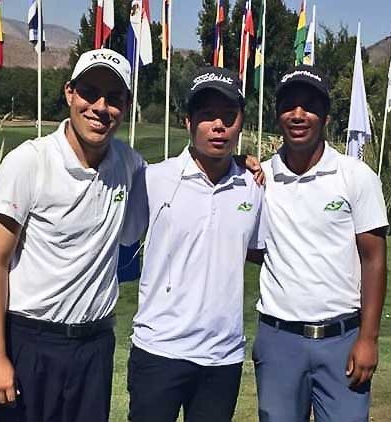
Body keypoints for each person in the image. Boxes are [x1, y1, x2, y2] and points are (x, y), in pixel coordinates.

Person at [0, 48, 144, 422]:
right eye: (90, 92)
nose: (100, 107)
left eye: (114, 98)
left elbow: (186, 176)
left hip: (94, 347)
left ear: (126, 105)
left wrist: (237, 164)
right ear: (70, 93)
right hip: (29, 342)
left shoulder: (130, 166)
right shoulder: (29, 162)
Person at [121, 67, 264, 422]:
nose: (219, 126)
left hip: (222, 357)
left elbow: (255, 250)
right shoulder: (153, 179)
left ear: (240, 123)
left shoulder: (254, 187)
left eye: (229, 117)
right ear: (187, 121)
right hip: (159, 352)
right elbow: (122, 240)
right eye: (207, 116)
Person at [252, 64, 388, 422]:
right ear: (277, 113)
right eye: (289, 105)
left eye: (309, 106)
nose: (298, 115)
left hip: (342, 339)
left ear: (325, 116)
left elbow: (373, 259)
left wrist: (368, 339)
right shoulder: (261, 178)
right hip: (278, 338)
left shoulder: (356, 176)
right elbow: (250, 244)